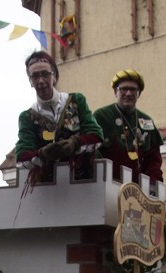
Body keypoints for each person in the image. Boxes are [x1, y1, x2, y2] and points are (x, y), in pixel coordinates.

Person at [14, 50, 102, 184]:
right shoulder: (27, 117)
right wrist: (43, 154)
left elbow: (96, 135)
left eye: (45, 74)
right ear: (30, 81)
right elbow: (21, 157)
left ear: (54, 77)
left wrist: (75, 143)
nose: (41, 80)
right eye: (35, 76)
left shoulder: (76, 101)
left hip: (83, 180)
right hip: (48, 187)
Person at [93, 69, 163, 184]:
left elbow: (153, 160)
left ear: (138, 93)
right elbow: (92, 153)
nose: (128, 93)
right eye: (124, 89)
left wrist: (153, 184)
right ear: (116, 92)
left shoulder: (146, 121)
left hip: (137, 190)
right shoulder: (101, 116)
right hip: (108, 184)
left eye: (133, 89)